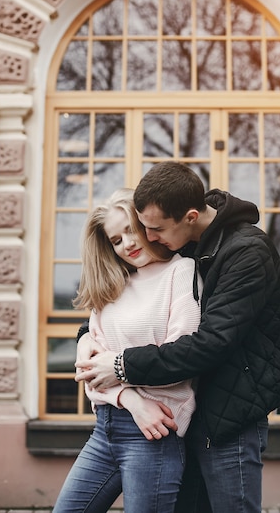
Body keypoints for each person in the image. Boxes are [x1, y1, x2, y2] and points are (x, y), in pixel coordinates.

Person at [75, 162, 280, 513]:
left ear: (190, 216)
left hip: (227, 417)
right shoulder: (184, 243)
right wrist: (86, 336)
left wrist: (121, 364)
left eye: (153, 230)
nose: (148, 238)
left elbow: (213, 342)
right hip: (182, 419)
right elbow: (133, 314)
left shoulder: (246, 252)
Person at [53, 188, 201, 513]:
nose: (128, 244)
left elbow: (183, 359)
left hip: (153, 434)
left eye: (131, 230)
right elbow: (92, 375)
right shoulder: (113, 286)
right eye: (116, 240)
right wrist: (131, 400)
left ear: (148, 225)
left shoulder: (181, 272)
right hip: (106, 428)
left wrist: (122, 386)